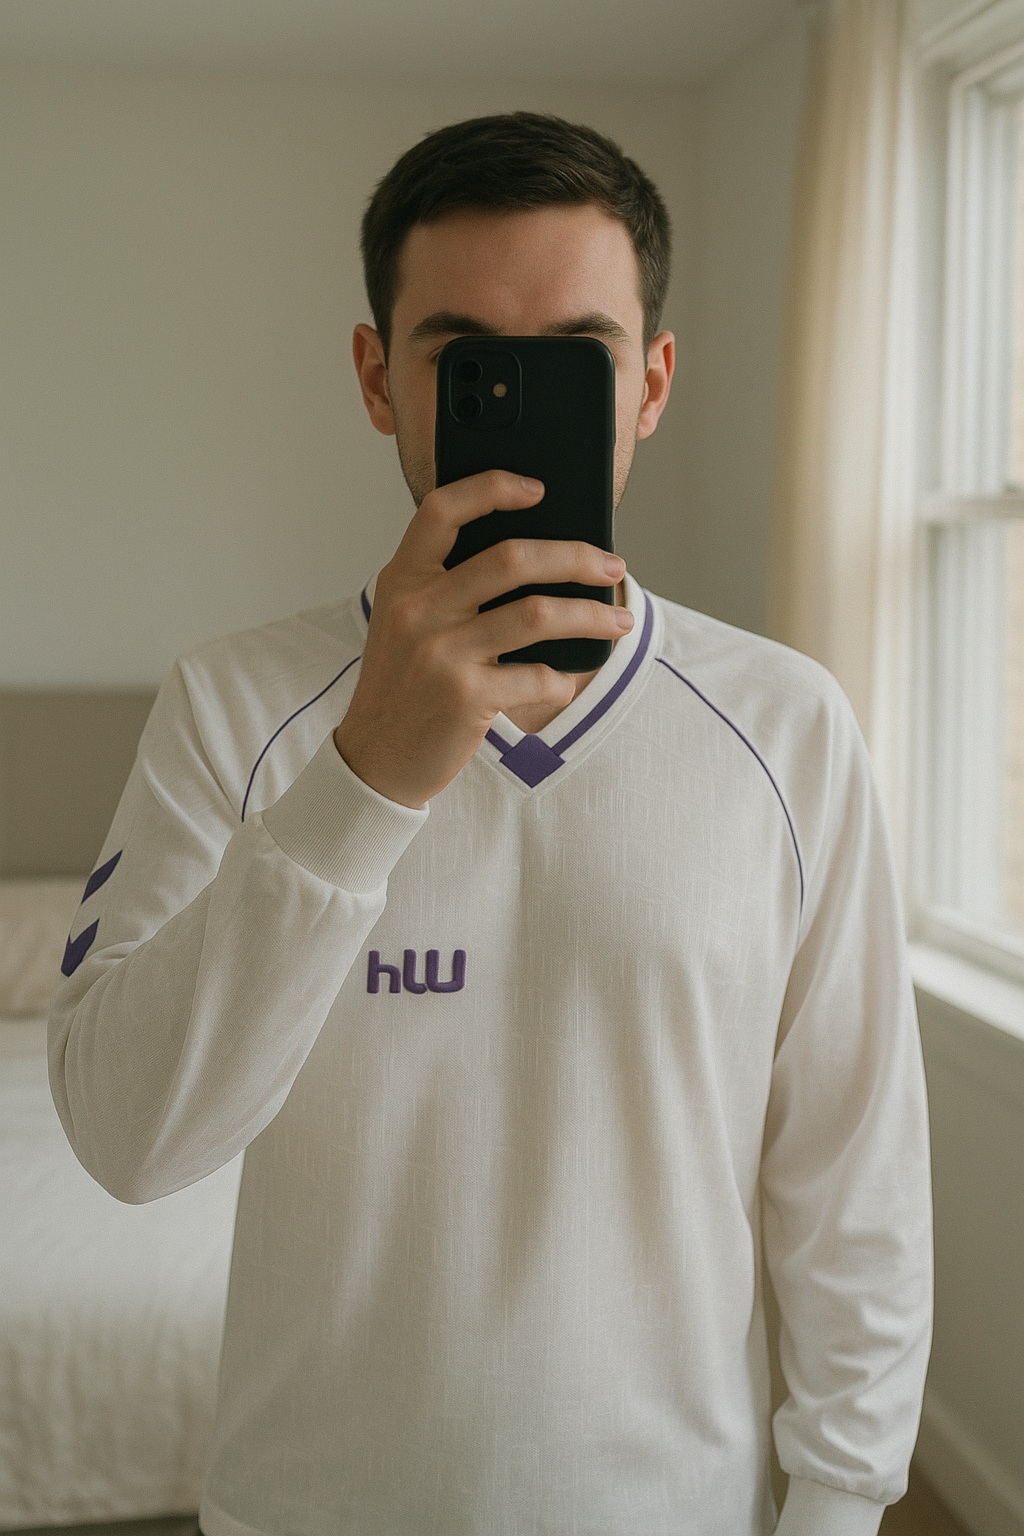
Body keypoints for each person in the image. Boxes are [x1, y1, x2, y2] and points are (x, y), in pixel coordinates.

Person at [49, 113, 932, 1536]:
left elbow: (853, 1180)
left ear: (650, 386)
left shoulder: (789, 730)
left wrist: (838, 1504)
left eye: (577, 358)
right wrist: (366, 782)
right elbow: (126, 1141)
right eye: (465, 360)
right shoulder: (234, 705)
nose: (516, 406)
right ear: (378, 379)